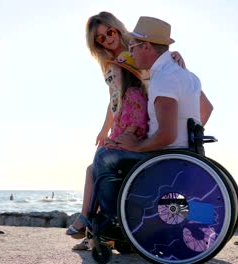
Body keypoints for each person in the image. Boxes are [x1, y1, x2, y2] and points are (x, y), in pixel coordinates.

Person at [66, 11, 186, 241]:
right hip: (122, 120)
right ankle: (98, 233)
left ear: (117, 27)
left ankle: (95, 227)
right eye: (100, 38)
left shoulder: (136, 49)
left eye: (109, 32)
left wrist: (174, 56)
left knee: (99, 169)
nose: (107, 39)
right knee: (102, 172)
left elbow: (146, 82)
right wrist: (105, 129)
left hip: (137, 121)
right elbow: (114, 101)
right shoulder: (109, 63)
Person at [92, 16, 214, 218]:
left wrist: (138, 146)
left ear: (147, 46)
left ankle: (115, 222)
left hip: (166, 154)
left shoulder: (163, 78)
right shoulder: (186, 75)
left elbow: (166, 135)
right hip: (189, 152)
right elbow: (207, 109)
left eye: (133, 47)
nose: (130, 52)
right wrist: (187, 137)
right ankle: (203, 215)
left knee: (104, 157)